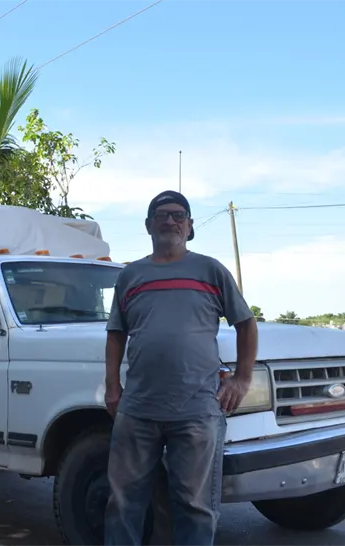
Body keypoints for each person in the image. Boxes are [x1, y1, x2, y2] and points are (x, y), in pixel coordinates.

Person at [103, 190, 258, 546]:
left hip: (197, 410)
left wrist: (242, 379)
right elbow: (115, 335)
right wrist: (112, 387)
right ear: (148, 225)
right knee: (123, 503)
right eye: (161, 214)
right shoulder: (131, 276)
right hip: (137, 409)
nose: (170, 220)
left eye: (179, 215)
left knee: (195, 506)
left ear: (189, 227)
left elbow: (246, 324)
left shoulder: (210, 270)